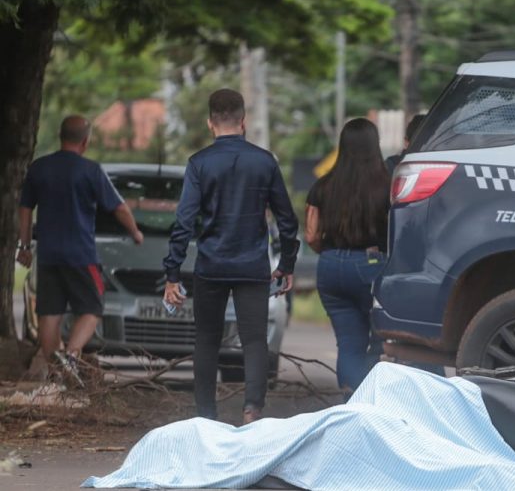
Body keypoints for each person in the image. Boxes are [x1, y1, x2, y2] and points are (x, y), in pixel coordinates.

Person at [162, 89, 300, 424]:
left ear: (210, 123)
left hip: (211, 265)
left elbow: (184, 221)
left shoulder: (199, 163)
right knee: (254, 341)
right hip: (253, 265)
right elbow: (286, 219)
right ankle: (252, 409)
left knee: (206, 340)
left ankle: (205, 416)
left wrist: (173, 273)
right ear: (243, 121)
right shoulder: (264, 161)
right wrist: (286, 265)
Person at [17, 115, 144, 385]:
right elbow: (119, 208)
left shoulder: (39, 169)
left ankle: (57, 368)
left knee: (48, 316)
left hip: (48, 257)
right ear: (85, 142)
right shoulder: (91, 170)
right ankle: (72, 357)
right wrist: (135, 232)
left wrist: (25, 246)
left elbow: (25, 210)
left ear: (62, 136)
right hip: (81, 256)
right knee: (92, 310)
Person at [304, 118, 390, 393]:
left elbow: (312, 236)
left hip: (330, 267)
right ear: (374, 146)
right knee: (380, 342)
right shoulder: (388, 186)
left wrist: (331, 254)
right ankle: (368, 405)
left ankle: (351, 404)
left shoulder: (323, 186)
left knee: (349, 344)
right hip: (373, 266)